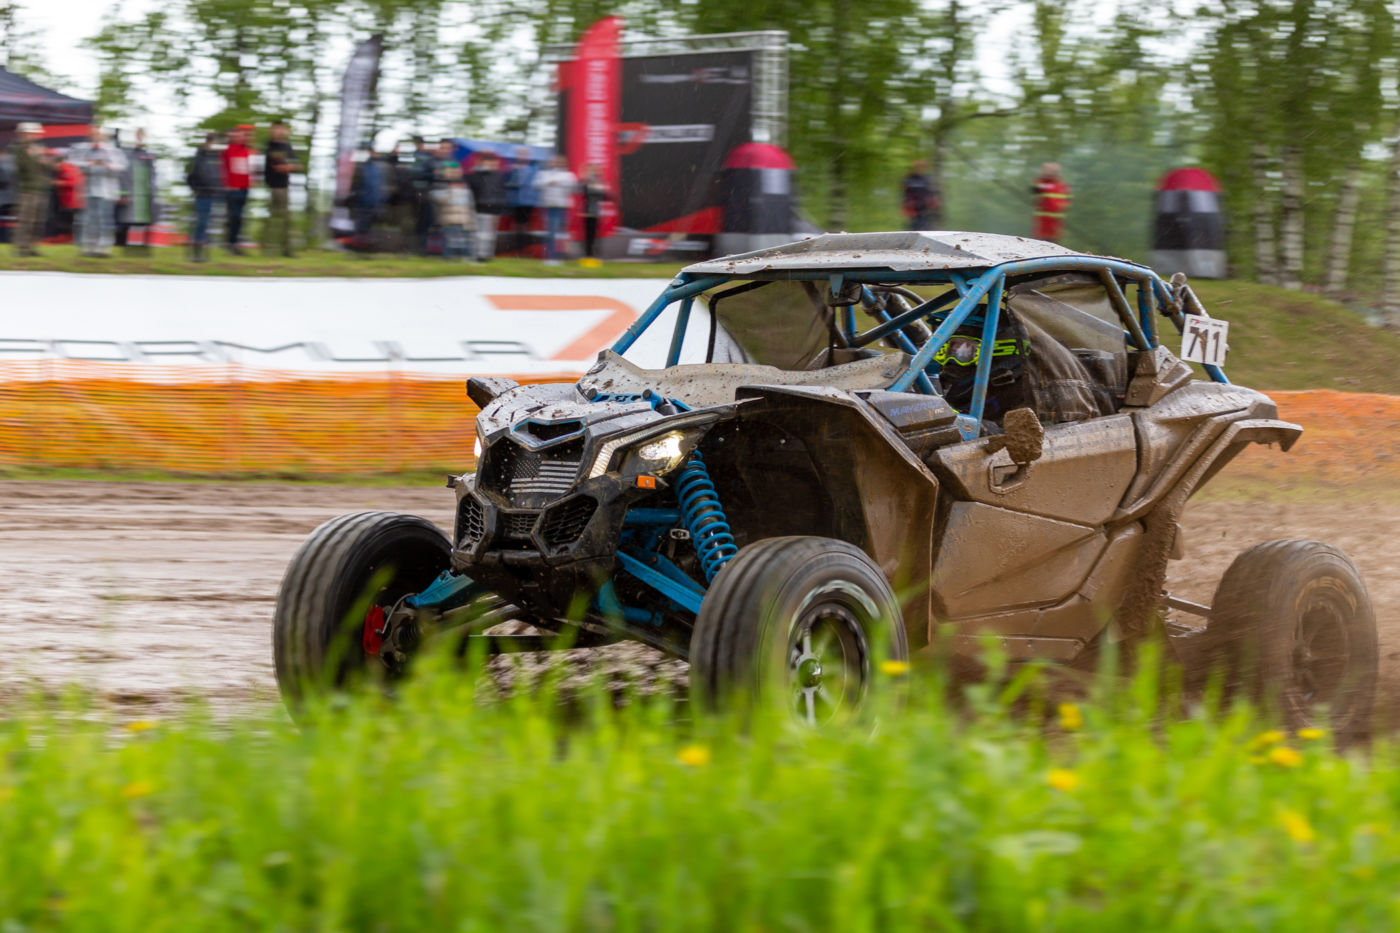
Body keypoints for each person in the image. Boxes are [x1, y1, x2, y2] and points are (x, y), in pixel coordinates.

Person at [68, 125, 127, 258]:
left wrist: (106, 165)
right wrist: (90, 163)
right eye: (92, 133)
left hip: (107, 191)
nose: (95, 136)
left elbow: (122, 167)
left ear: (103, 135)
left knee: (104, 219)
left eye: (98, 133)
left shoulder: (112, 150)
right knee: (88, 219)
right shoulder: (83, 149)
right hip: (88, 190)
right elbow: (73, 163)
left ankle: (103, 248)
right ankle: (88, 247)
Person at [8, 122, 54, 257]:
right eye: (30, 133)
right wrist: (32, 156)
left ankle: (32, 246)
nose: (33, 136)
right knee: (25, 220)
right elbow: (19, 167)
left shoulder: (38, 148)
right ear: (23, 134)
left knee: (38, 220)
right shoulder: (16, 149)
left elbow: (47, 168)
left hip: (39, 189)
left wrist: (44, 160)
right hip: (26, 190)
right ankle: (22, 247)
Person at [263, 121, 302, 257]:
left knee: (285, 219)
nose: (279, 131)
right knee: (273, 219)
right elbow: (278, 166)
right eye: (276, 129)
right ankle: (269, 248)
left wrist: (290, 166)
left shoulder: (287, 146)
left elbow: (297, 165)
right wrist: (289, 166)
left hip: (284, 187)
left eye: (281, 129)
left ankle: (285, 249)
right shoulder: (270, 146)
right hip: (272, 187)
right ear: (272, 130)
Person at [186, 132, 225, 262]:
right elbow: (190, 176)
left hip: (215, 194)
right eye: (213, 142)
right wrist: (196, 189)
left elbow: (220, 174)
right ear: (208, 142)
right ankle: (197, 252)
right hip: (202, 194)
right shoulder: (199, 157)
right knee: (201, 223)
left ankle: (204, 251)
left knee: (209, 224)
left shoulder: (217, 157)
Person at [116, 128, 156, 251]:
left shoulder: (148, 156)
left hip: (143, 194)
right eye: (138, 135)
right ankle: (120, 244)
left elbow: (152, 175)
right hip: (128, 192)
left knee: (144, 221)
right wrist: (122, 193)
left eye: (142, 136)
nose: (140, 138)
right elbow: (121, 175)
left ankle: (144, 245)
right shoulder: (125, 154)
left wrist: (151, 192)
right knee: (124, 222)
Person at [533, 155, 576, 265]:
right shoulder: (544, 174)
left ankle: (560, 257)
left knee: (561, 234)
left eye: (559, 162)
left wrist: (558, 183)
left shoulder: (568, 175)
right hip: (549, 207)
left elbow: (573, 187)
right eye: (554, 162)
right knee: (550, 233)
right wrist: (549, 183)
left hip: (563, 207)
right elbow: (536, 185)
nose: (556, 164)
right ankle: (549, 257)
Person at [467, 151, 506, 262]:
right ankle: (477, 255)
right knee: (478, 234)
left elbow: (500, 193)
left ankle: (487, 255)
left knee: (490, 235)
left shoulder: (498, 176)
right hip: (479, 208)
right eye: (486, 162)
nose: (489, 164)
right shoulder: (474, 175)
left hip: (494, 208)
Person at [222, 124, 255, 255]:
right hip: (232, 190)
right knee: (233, 217)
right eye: (241, 134)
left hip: (244, 190)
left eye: (246, 135)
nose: (244, 137)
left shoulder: (247, 152)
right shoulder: (229, 150)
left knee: (239, 218)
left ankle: (234, 243)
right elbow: (223, 168)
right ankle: (230, 244)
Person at [433, 161, 475, 261]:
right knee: (450, 240)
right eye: (452, 171)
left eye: (457, 171)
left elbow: (470, 202)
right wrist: (450, 190)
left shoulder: (465, 183)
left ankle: (466, 258)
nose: (455, 173)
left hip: (464, 218)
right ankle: (449, 259)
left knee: (465, 240)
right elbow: (438, 199)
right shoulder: (440, 184)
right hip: (449, 218)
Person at [349, 143, 388, 251]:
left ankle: (366, 247)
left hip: (374, 201)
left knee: (370, 226)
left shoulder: (379, 166)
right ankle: (360, 248)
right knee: (361, 225)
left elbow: (382, 184)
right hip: (363, 202)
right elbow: (356, 184)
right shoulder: (363, 166)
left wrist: (382, 199)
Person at [505, 145, 538, 254]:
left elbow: (536, 185)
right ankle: (515, 250)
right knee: (516, 226)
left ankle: (525, 250)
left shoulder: (534, 169)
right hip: (515, 202)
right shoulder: (510, 168)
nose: (522, 156)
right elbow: (506, 183)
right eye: (520, 154)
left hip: (528, 202)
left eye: (525, 154)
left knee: (526, 226)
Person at [408, 135, 437, 255]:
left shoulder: (422, 157)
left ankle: (420, 249)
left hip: (420, 193)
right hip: (420, 194)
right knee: (421, 223)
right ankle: (419, 249)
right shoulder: (422, 157)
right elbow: (416, 174)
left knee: (422, 223)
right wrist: (432, 174)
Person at [1032, 162, 1072, 242]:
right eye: (1048, 171)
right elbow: (1034, 189)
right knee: (1039, 240)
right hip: (1043, 220)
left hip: (1056, 220)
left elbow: (1068, 199)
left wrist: (1064, 206)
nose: (1051, 174)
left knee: (1053, 241)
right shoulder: (1043, 183)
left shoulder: (1063, 186)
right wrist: (1042, 177)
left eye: (1054, 171)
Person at [578, 163, 611, 261]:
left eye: (596, 169)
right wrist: (592, 186)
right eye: (592, 169)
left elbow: (603, 196)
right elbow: (584, 192)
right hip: (587, 211)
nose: (594, 171)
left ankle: (595, 255)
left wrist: (596, 188)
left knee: (595, 234)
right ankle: (588, 255)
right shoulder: (586, 181)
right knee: (588, 234)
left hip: (596, 212)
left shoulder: (600, 181)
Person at [901, 160, 941, 231]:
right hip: (913, 209)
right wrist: (904, 207)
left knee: (927, 227)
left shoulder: (927, 179)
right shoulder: (909, 179)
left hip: (926, 209)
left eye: (923, 167)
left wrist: (936, 201)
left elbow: (932, 192)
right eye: (919, 167)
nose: (920, 169)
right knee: (914, 227)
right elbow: (905, 194)